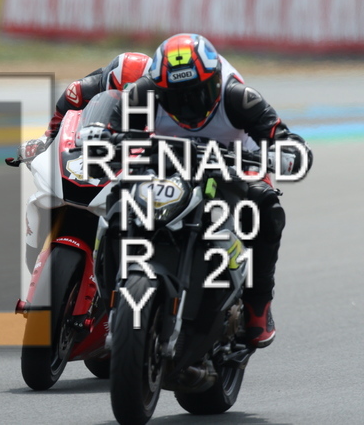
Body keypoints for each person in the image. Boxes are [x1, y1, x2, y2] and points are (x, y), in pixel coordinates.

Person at [112, 33, 313, 348]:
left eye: (197, 94)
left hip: (234, 159)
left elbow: (286, 139)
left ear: (216, 82)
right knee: (117, 193)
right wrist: (99, 140)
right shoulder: (143, 92)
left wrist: (286, 154)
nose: (188, 106)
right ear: (159, 90)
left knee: (266, 207)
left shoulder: (238, 97)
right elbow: (111, 131)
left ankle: (257, 304)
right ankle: (109, 289)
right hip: (167, 159)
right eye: (176, 98)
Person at [17, 52, 152, 272]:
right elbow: (56, 127)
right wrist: (42, 144)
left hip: (130, 156)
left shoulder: (162, 101)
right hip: (87, 152)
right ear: (106, 82)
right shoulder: (80, 90)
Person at [17, 52, 152, 165]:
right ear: (107, 80)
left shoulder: (160, 98)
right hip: (86, 153)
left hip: (140, 157)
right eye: (116, 92)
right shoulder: (78, 92)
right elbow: (53, 132)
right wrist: (40, 146)